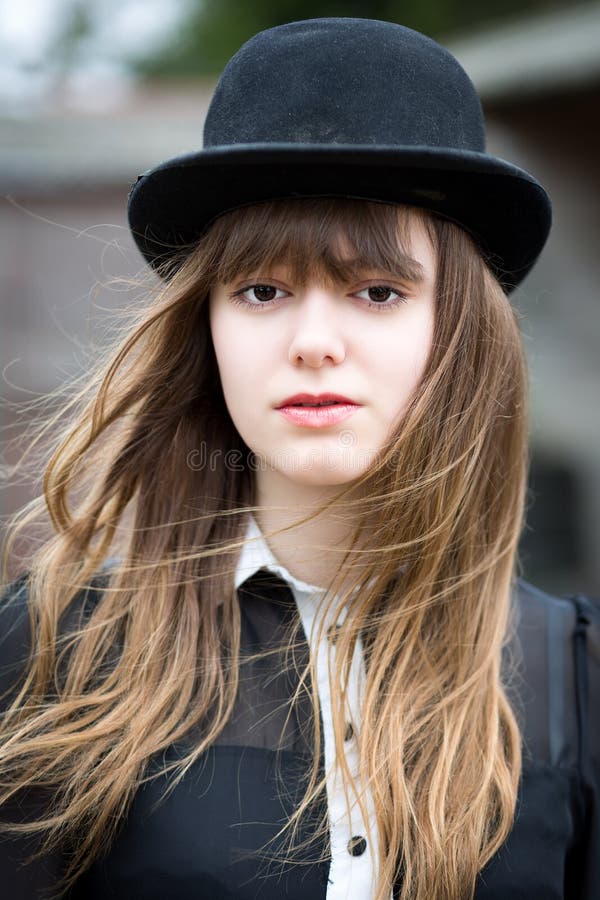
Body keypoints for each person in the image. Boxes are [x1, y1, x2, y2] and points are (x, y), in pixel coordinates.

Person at [0, 17, 598, 900]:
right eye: (262, 290)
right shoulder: (58, 650)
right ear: (207, 326)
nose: (315, 341)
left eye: (379, 291)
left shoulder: (572, 678)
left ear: (459, 332)